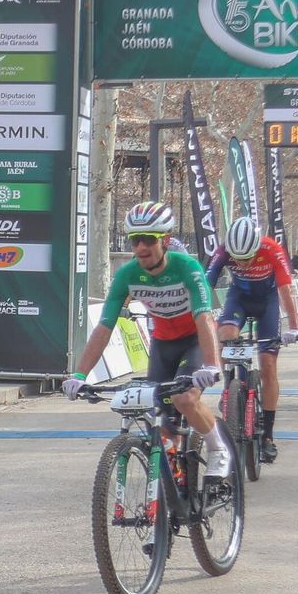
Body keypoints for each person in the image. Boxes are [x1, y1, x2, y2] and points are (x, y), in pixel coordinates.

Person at [64, 200, 231, 480]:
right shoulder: (127, 275)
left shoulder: (187, 267)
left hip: (195, 341)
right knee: (159, 412)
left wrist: (212, 365)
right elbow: (104, 327)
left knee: (184, 399)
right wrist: (79, 375)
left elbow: (204, 318)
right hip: (163, 344)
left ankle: (218, 449)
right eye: (135, 240)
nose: (141, 247)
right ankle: (175, 482)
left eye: (149, 239)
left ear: (165, 240)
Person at [204, 219, 298, 463]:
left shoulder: (272, 249)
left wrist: (294, 327)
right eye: (237, 259)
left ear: (257, 247)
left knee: (268, 365)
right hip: (239, 298)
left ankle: (267, 436)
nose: (242, 263)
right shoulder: (223, 251)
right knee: (225, 336)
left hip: (267, 301)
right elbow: (204, 286)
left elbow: (285, 290)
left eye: (247, 258)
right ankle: (230, 388)